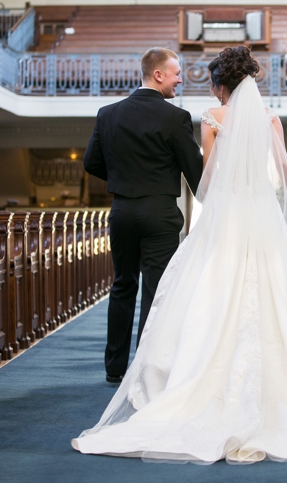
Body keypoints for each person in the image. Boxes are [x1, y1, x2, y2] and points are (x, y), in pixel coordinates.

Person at [73, 46, 287, 464]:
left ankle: (137, 371)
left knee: (185, 291)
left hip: (203, 219)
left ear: (220, 85)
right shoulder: (270, 119)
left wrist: (220, 188)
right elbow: (284, 175)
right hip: (261, 220)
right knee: (273, 295)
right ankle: (286, 392)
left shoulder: (210, 119)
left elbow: (207, 182)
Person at [84, 47, 203, 384]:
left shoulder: (108, 114)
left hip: (121, 210)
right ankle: (145, 367)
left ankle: (114, 368)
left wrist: (124, 178)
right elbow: (195, 172)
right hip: (159, 213)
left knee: (122, 285)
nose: (181, 79)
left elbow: (91, 163)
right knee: (155, 288)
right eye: (177, 73)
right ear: (158, 75)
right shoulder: (175, 117)